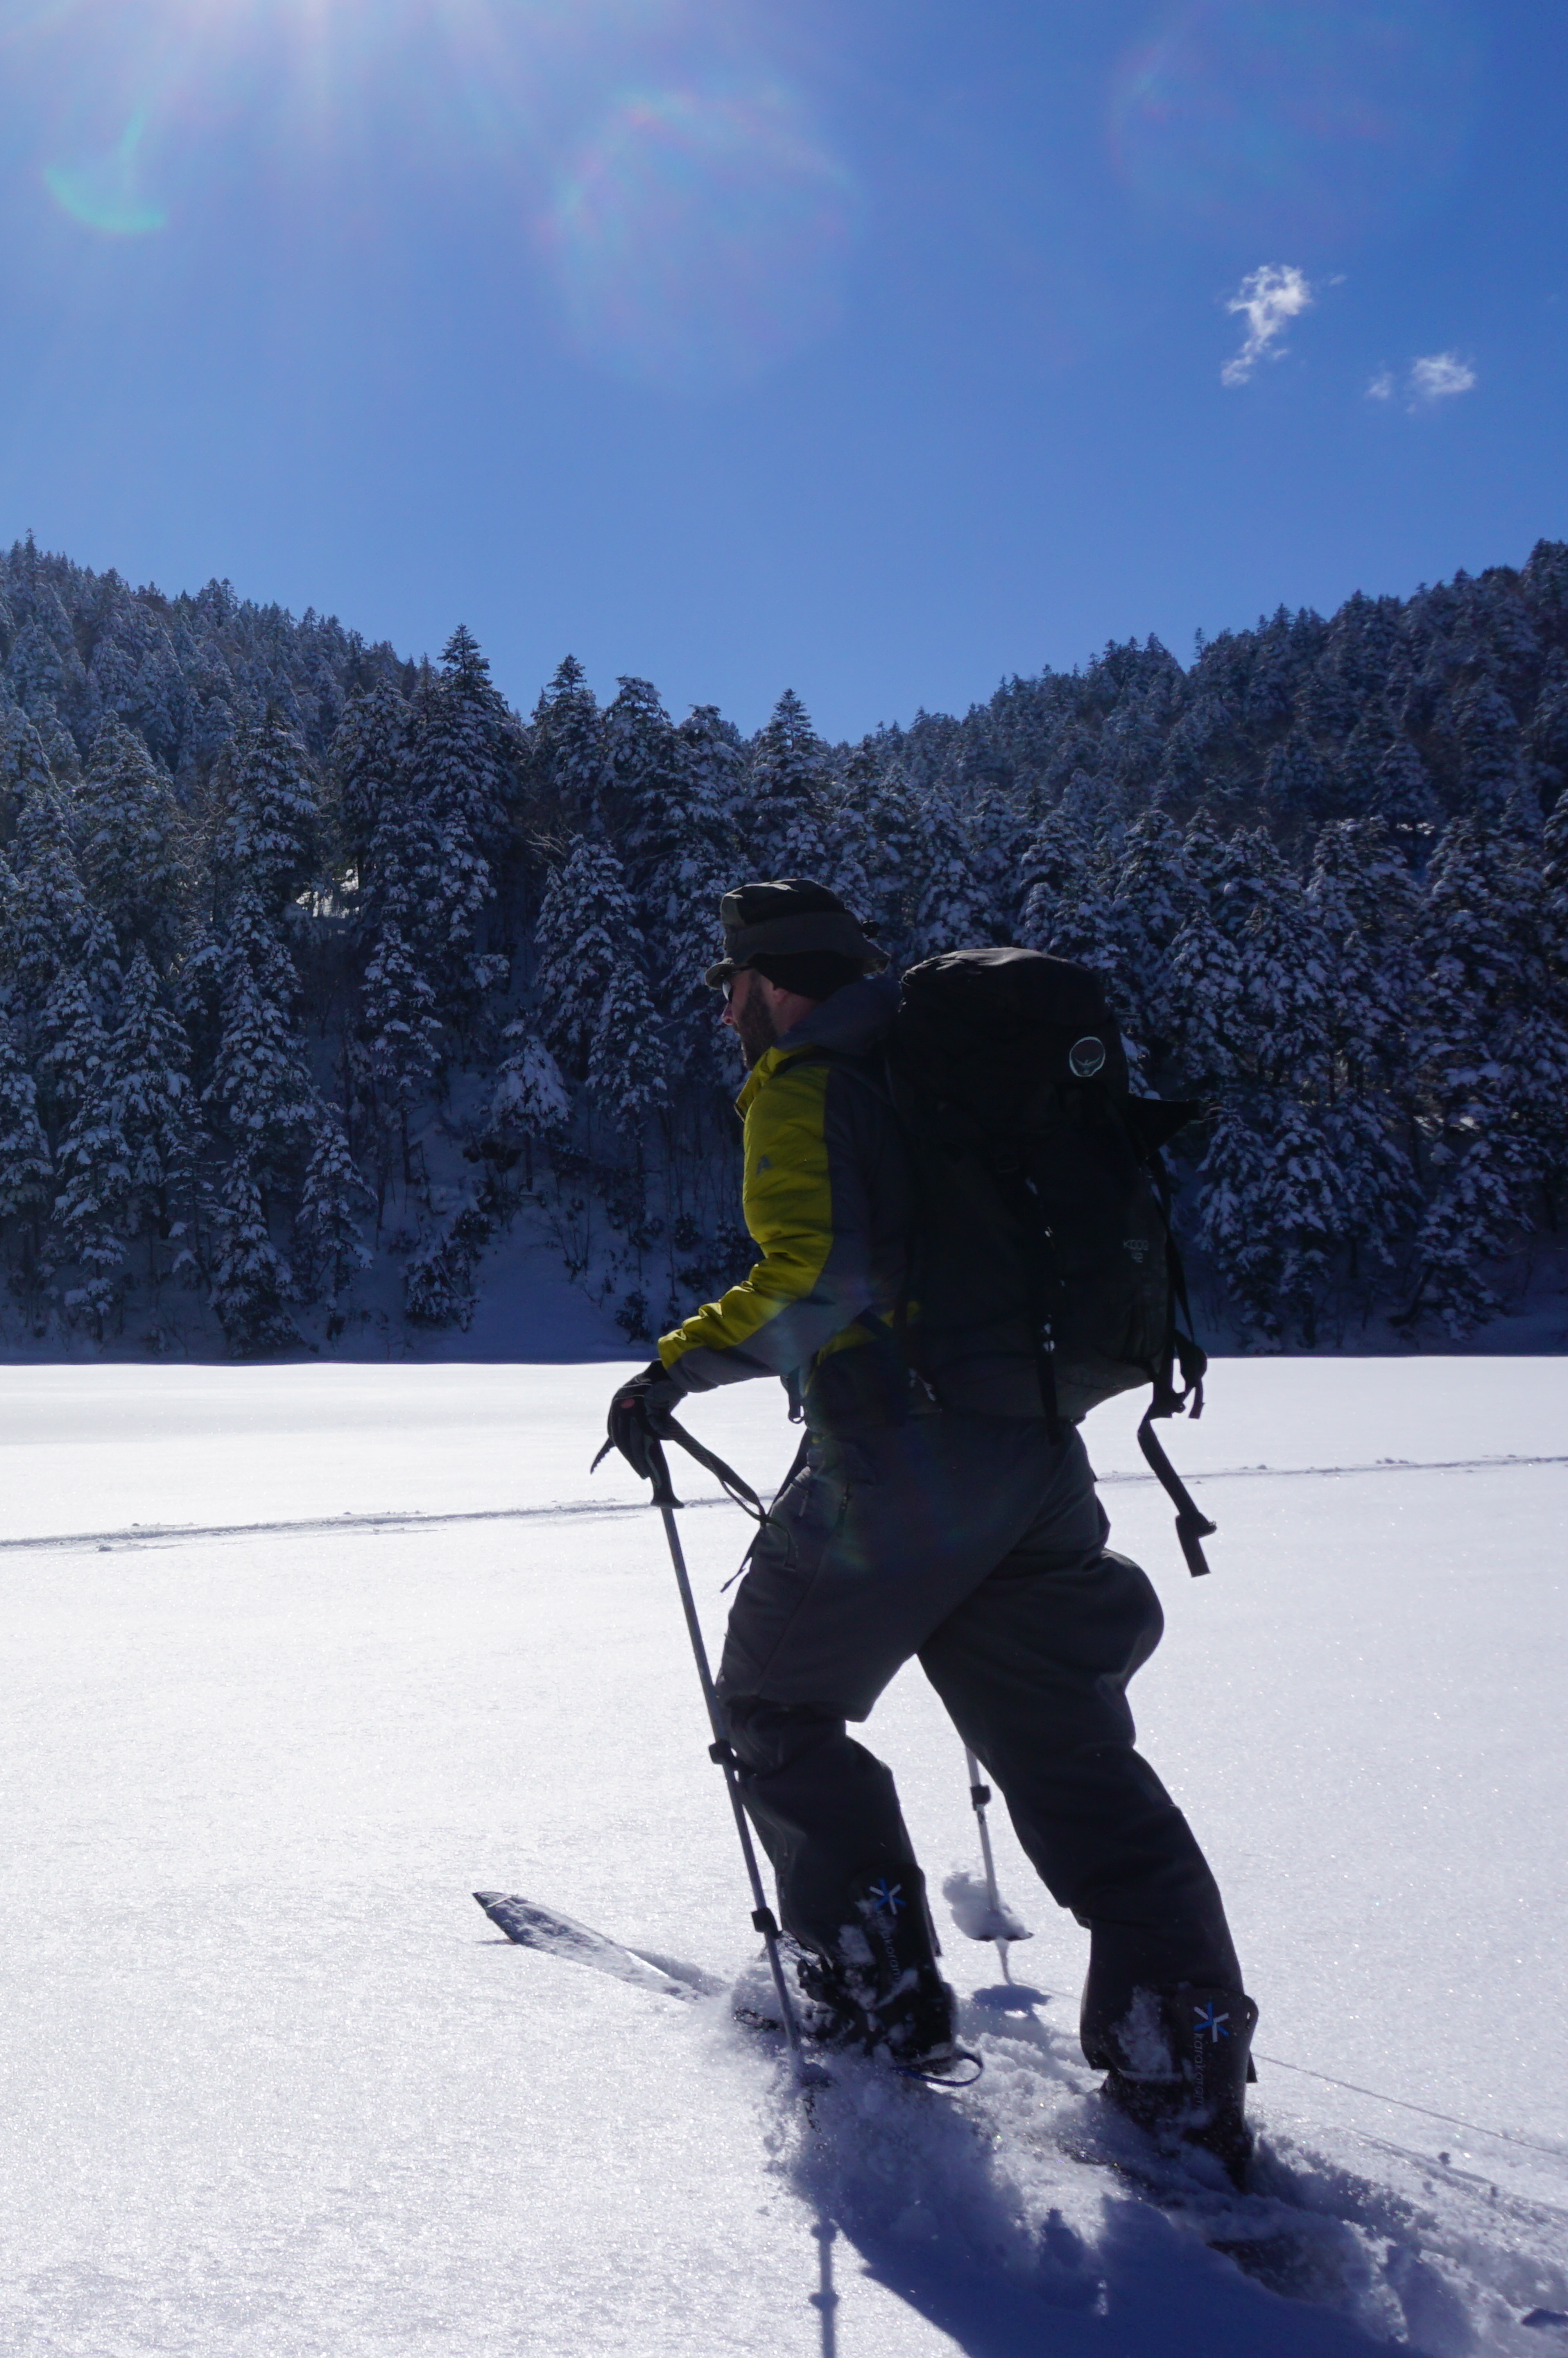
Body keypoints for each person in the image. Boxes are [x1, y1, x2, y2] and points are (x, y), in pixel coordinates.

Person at [601, 879, 1259, 2181]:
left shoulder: (807, 1080)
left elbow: (825, 1276)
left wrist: (670, 1373)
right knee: (1072, 1756)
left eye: (729, 982)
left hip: (901, 1462)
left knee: (777, 1713)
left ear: (770, 980)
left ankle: (868, 1998)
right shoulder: (935, 1068)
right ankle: (1183, 2070)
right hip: (1035, 1456)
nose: (724, 1006)